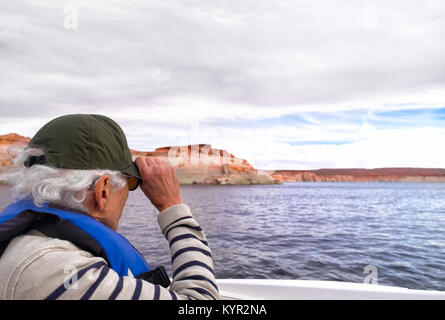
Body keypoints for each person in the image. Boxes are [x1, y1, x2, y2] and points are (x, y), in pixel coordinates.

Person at [0, 114, 219, 300]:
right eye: (130, 184)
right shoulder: (57, 270)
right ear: (102, 190)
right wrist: (172, 205)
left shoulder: (25, 246)